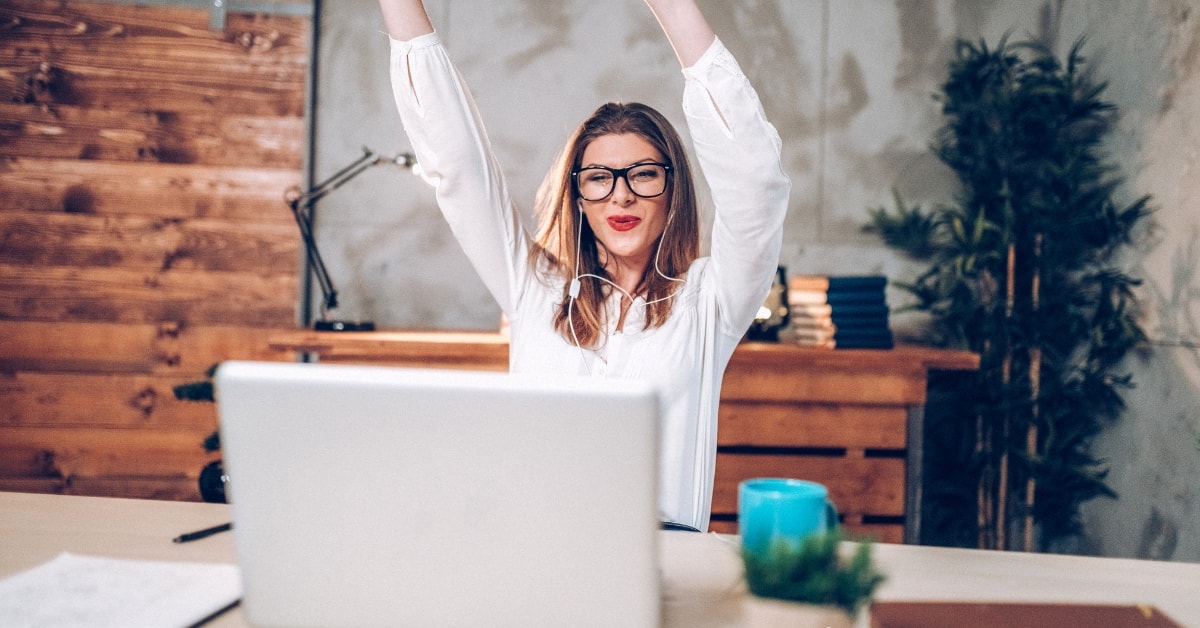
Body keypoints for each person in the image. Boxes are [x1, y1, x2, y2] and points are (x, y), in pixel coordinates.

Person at [378, 0, 790, 532]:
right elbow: (458, 171)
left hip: (658, 568)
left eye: (643, 174)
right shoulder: (535, 288)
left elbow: (756, 181)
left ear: (673, 190)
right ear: (578, 196)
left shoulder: (710, 300)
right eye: (598, 178)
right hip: (534, 559)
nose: (620, 197)